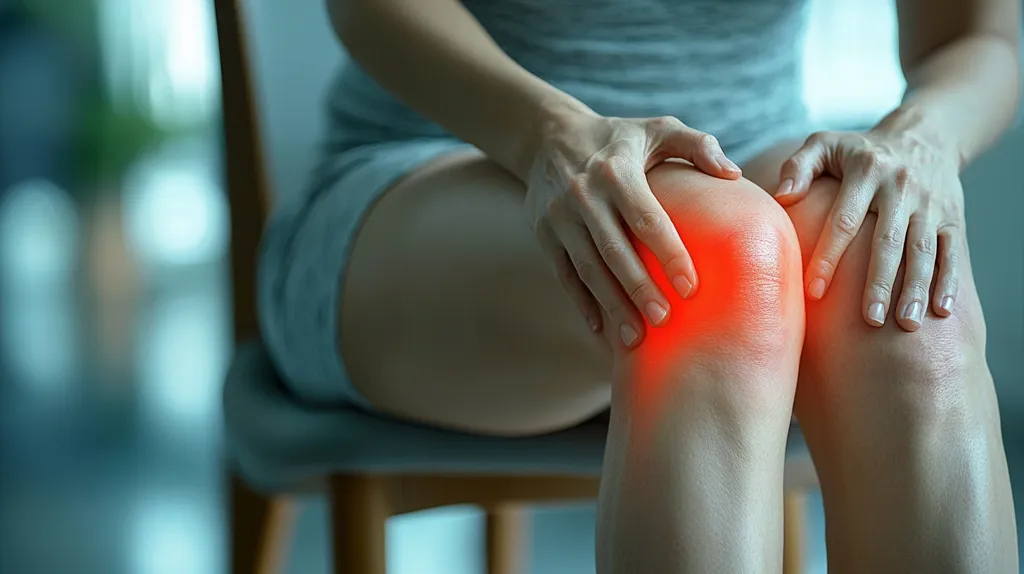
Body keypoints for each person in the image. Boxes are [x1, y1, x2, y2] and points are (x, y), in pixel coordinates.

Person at [258, 0, 1021, 571]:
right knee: (714, 267)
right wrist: (547, 134)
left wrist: (924, 139)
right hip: (437, 171)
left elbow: (975, 36)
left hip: (749, 167)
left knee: (906, 307)